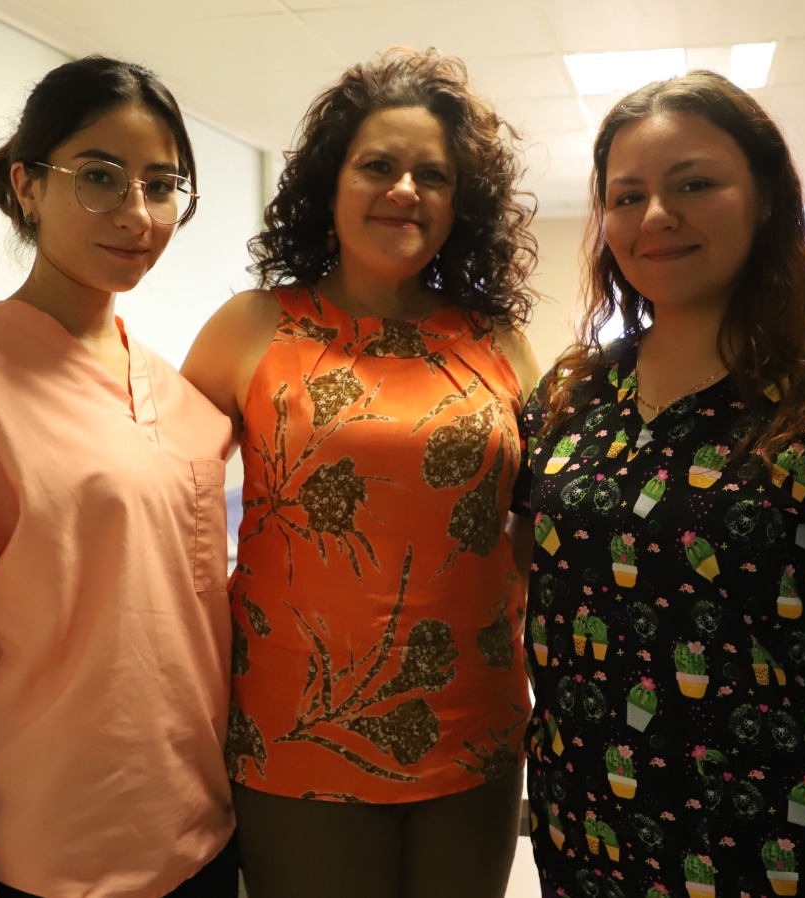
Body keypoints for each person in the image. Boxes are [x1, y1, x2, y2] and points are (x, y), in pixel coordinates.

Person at [516, 70, 805, 898]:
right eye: (627, 197)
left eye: (694, 184)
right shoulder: (571, 395)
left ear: (767, 198)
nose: (656, 216)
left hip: (774, 846)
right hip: (585, 831)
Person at [0, 56, 237, 898]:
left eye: (161, 185)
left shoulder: (181, 397)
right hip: (55, 854)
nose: (136, 213)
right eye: (99, 177)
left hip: (203, 835)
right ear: (27, 186)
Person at [181, 47, 540, 898]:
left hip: (474, 724)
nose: (405, 190)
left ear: (460, 201)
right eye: (378, 166)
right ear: (330, 185)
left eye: (433, 175)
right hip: (296, 730)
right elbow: (163, 504)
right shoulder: (252, 327)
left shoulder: (498, 342)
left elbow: (541, 527)